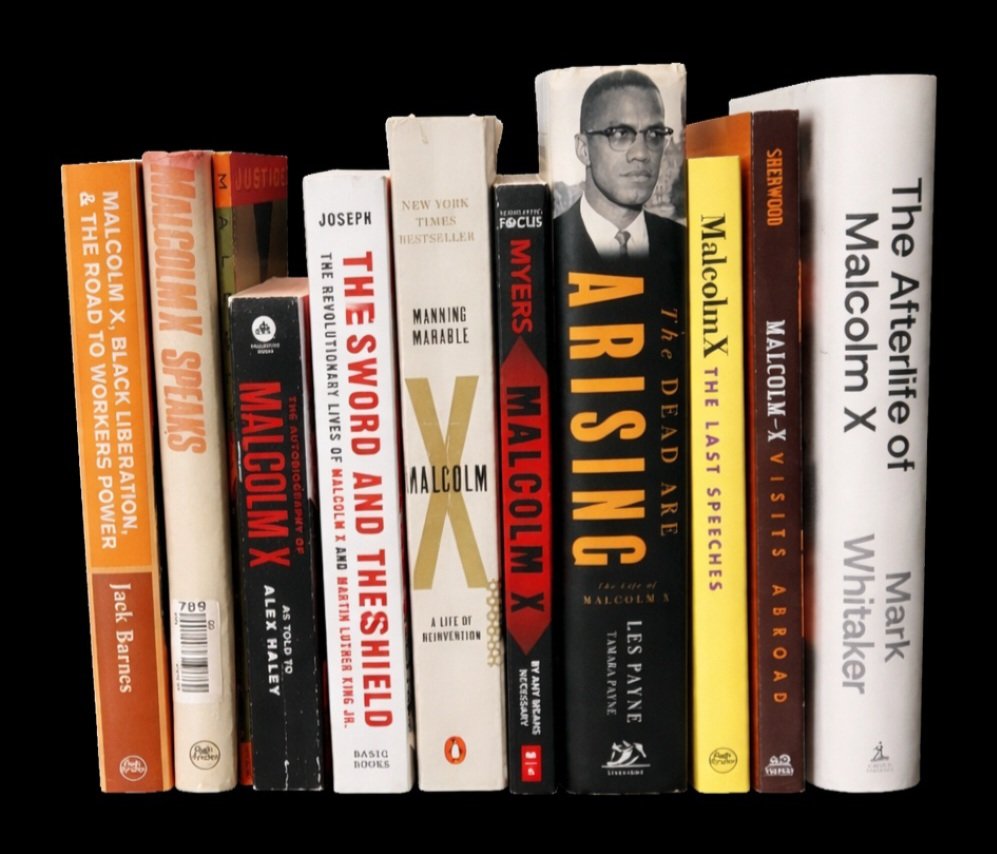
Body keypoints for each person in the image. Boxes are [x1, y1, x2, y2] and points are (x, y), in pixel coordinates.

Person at [554, 69, 684, 272]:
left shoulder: (686, 244)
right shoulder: (546, 245)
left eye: (654, 134)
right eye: (620, 134)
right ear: (583, 149)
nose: (641, 153)